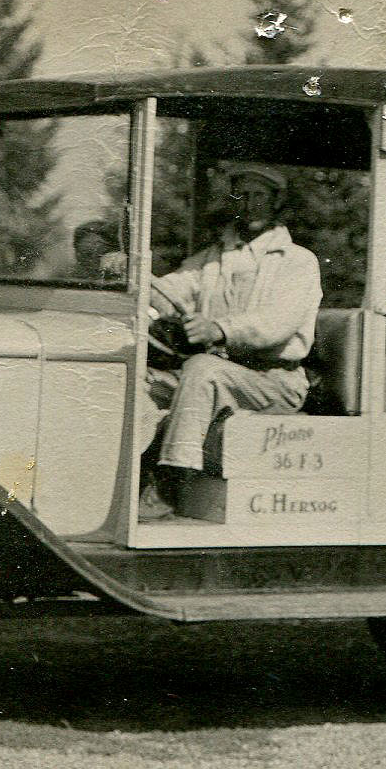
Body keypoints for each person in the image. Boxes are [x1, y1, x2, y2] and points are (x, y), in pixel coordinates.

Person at [139, 163, 321, 519]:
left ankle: (171, 482)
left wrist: (218, 329)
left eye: (260, 197)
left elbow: (275, 325)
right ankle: (121, 481)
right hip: (225, 377)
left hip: (276, 383)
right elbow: (173, 289)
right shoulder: (213, 258)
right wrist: (137, 277)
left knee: (202, 369)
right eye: (244, 196)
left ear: (276, 204)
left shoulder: (298, 262)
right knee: (144, 383)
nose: (251, 205)